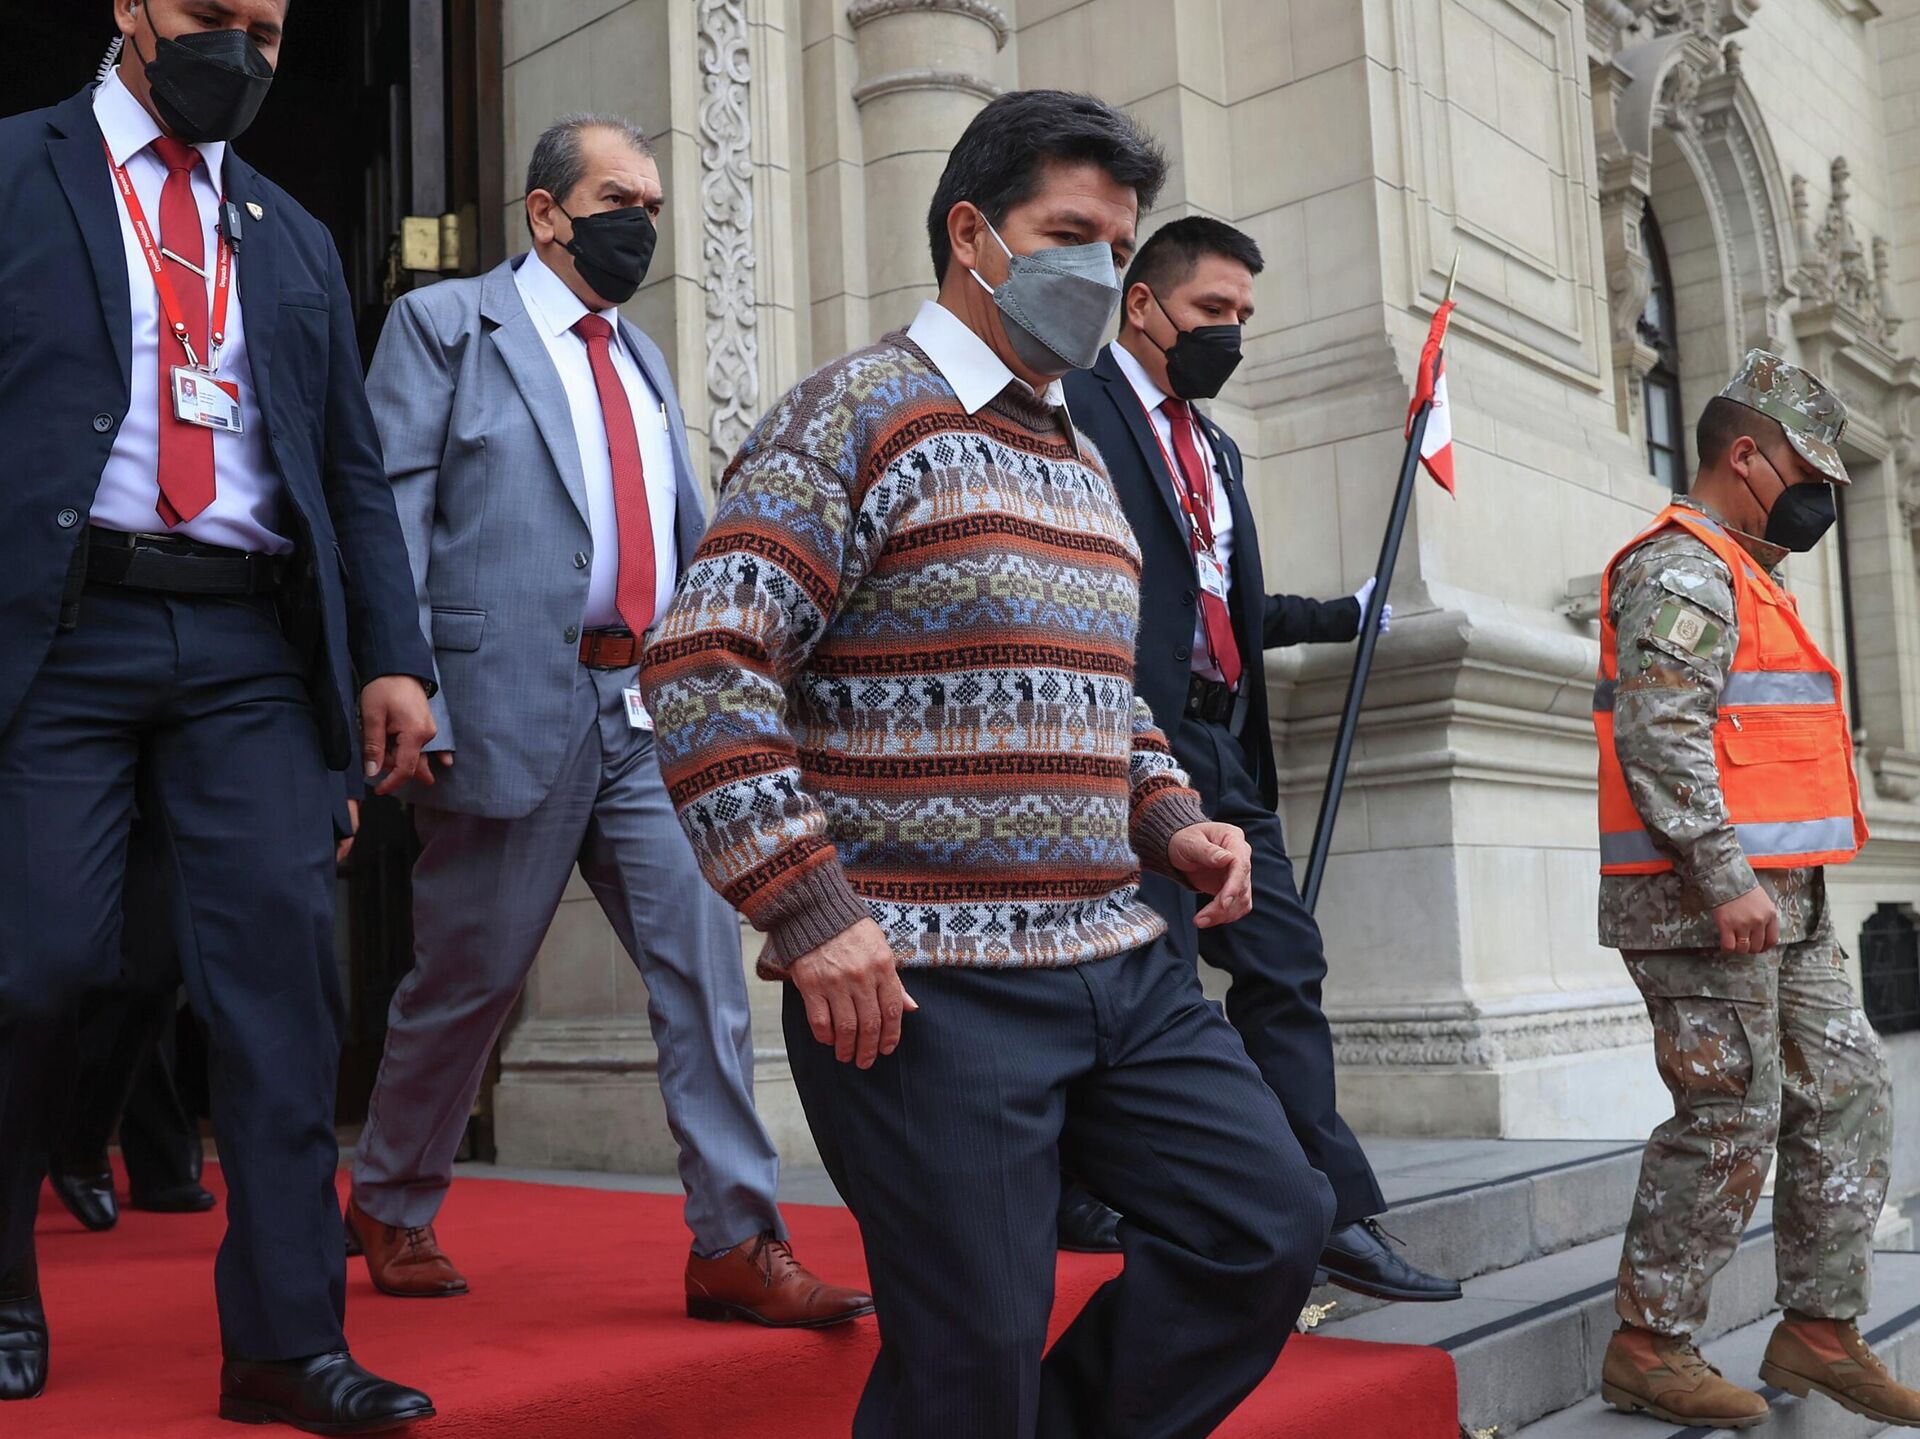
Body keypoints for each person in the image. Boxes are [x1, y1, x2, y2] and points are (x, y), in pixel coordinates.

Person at [643, 88, 1336, 1439]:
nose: (1102, 272)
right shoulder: (851, 414)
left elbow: (1110, 706)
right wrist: (808, 907)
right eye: (1070, 235)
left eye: (1117, 246)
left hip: (1122, 965)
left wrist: (1174, 817)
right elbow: (706, 664)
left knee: (1267, 1224)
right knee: (973, 1361)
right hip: (925, 992)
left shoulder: (1083, 462)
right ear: (973, 234)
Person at [348, 113, 870, 1328]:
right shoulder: (445, 325)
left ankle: (737, 1238)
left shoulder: (641, 358)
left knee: (705, 974)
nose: (641, 224)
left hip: (645, 712)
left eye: (653, 206)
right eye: (618, 200)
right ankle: (391, 1193)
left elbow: (674, 534)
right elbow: (392, 513)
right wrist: (405, 677)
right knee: (470, 977)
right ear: (547, 213)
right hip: (502, 704)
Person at [0, 2, 438, 1429]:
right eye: (208, 18)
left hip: (250, 642)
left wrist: (391, 656)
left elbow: (349, 470)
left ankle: (285, 1341)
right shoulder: (15, 171)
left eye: (265, 30)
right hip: (61, 629)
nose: (238, 54)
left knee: (282, 990)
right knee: (38, 967)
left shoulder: (291, 235)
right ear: (131, 7)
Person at [1056, 216, 1460, 1302]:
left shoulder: (1217, 449)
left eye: (1242, 315)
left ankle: (1337, 1211)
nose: (1230, 334)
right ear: (1143, 304)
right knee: (1143, 977)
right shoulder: (1071, 409)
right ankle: (1088, 1184)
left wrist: (1345, 614)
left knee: (1284, 964)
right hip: (1125, 746)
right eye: (1211, 311)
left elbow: (1226, 605)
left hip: (1223, 745)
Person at [1593, 352, 1920, 1430]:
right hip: (1704, 903)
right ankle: (1649, 1344)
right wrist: (1725, 876)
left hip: (1789, 904)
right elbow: (1660, 733)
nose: (1820, 496)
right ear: (1745, 456)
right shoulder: (1682, 570)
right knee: (1729, 1111)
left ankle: (1820, 1330)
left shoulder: (1745, 572)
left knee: (1849, 1087)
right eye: (1809, 473)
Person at [48, 813, 217, 1232]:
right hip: (58, 790)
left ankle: (87, 1134)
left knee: (152, 963)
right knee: (48, 969)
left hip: (166, 795)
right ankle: (78, 1135)